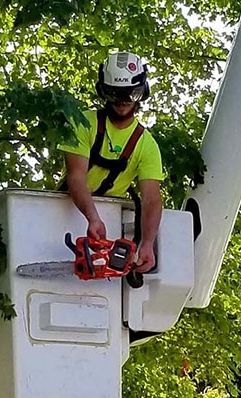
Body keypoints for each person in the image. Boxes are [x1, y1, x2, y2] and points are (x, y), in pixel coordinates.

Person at [59, 51, 165, 273]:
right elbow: (76, 177)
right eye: (115, 93)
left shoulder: (146, 145)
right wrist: (93, 218)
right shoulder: (82, 123)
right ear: (104, 92)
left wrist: (147, 243)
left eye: (131, 93)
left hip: (109, 219)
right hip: (65, 211)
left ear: (142, 93)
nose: (123, 101)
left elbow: (152, 198)